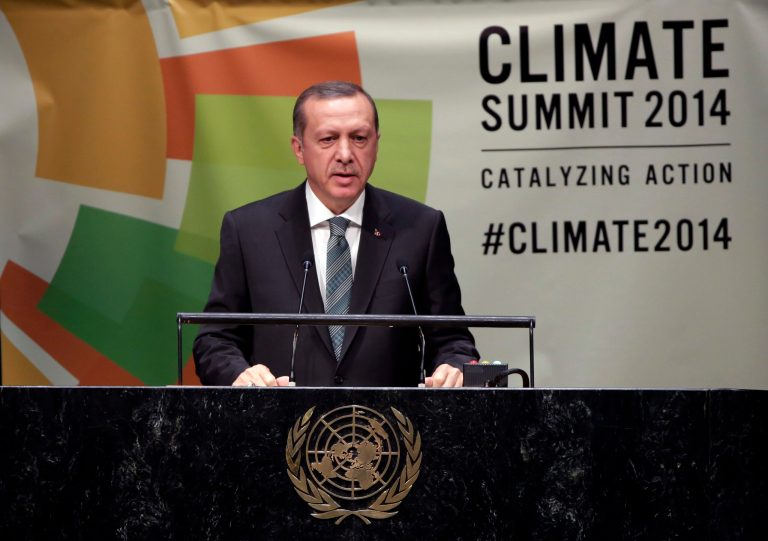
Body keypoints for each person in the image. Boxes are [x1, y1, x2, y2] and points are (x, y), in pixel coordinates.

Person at [193, 81, 478, 387]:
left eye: (359, 138)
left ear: (376, 144)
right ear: (299, 149)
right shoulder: (249, 230)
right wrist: (239, 373)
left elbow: (453, 341)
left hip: (389, 417)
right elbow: (215, 341)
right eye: (328, 139)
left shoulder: (421, 228)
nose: (345, 154)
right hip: (280, 416)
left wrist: (454, 367)